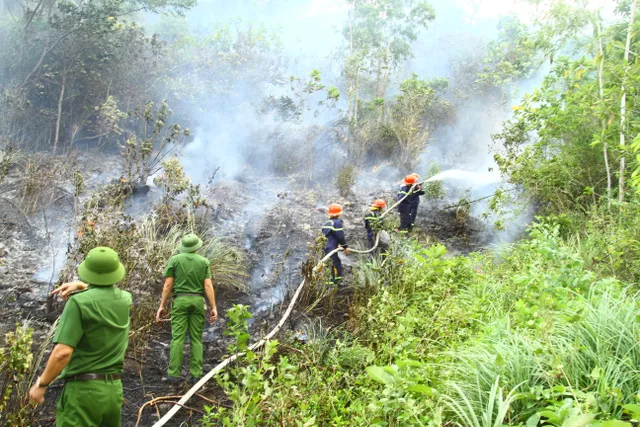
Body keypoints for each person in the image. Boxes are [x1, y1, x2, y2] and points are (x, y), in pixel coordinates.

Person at [29, 246, 132, 427]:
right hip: (113, 391)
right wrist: (83, 286)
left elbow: (62, 353)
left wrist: (41, 384)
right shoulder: (125, 299)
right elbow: (104, 295)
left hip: (83, 393)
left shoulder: (78, 302)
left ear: (88, 270)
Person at [156, 233, 218, 383]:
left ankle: (174, 375)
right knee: (196, 338)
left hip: (180, 301)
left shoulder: (175, 260)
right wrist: (213, 307)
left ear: (183, 247)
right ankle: (196, 375)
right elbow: (208, 285)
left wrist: (162, 306)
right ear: (197, 247)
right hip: (198, 301)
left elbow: (168, 285)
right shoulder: (204, 262)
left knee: (178, 338)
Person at [322, 203, 349, 285]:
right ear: (339, 213)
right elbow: (340, 236)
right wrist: (345, 247)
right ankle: (336, 283)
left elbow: (329, 236)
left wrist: (336, 244)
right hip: (331, 248)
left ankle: (330, 282)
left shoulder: (327, 223)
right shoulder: (337, 223)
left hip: (325, 247)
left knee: (329, 264)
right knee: (336, 263)